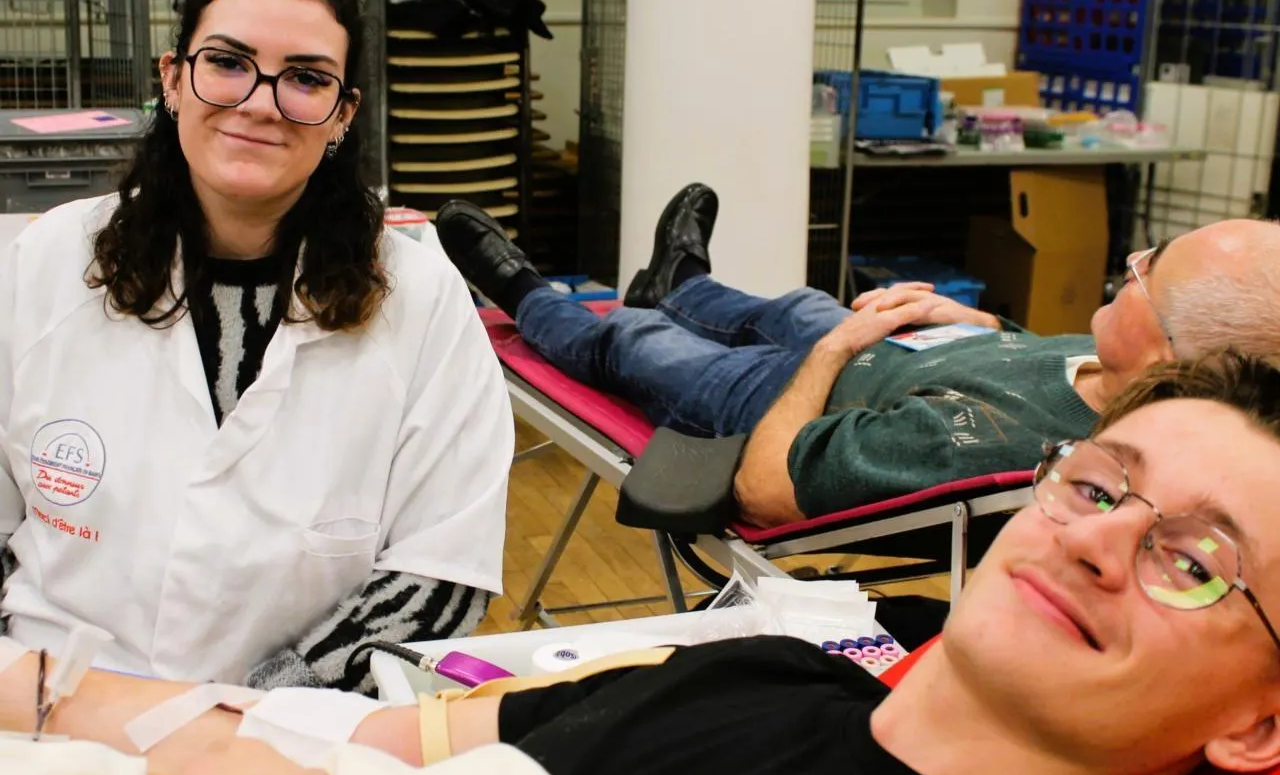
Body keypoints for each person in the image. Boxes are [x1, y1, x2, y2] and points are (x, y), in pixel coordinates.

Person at [23, 351, 1280, 775]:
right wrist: (43, 690)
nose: (1094, 541)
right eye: (1095, 487)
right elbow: (348, 737)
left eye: (1190, 560)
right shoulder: (766, 672)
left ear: (1257, 725)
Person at [0, 0, 513, 694]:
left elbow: (441, 572)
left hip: (295, 728)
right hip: (48, 703)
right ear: (173, 78)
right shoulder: (45, 264)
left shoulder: (422, 299)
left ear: (342, 114)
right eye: (227, 62)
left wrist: (246, 724)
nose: (260, 102)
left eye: (306, 78)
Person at [434, 185, 1280, 527]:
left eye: (1147, 271)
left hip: (787, 405)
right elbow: (1028, 366)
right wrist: (974, 323)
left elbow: (769, 487)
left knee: (633, 339)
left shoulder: (1010, 451)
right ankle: (680, 281)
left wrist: (838, 348)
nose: (1129, 264)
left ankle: (522, 292)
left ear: (1169, 354)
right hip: (891, 355)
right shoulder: (1112, 369)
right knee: (797, 306)